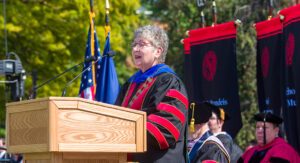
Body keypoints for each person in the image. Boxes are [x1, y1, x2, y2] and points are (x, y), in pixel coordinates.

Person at [115, 25, 189, 162]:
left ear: (158, 51)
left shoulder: (169, 82)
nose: (135, 49)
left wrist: (125, 128)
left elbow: (166, 129)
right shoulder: (130, 84)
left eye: (141, 44)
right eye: (134, 44)